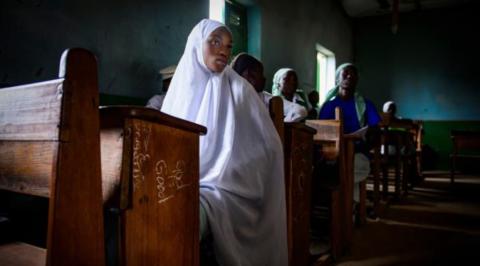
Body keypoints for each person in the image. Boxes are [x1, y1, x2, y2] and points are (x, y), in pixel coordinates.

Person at [161, 19, 288, 266]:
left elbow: (269, 147)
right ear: (197, 44)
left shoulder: (239, 89)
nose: (223, 50)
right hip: (184, 177)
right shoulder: (181, 86)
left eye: (228, 46)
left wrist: (225, 173)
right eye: (215, 42)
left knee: (180, 218)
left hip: (227, 184)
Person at [318, 63, 381, 204]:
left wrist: (368, 135)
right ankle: (350, 205)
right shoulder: (329, 106)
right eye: (345, 73)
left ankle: (346, 205)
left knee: (355, 167)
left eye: (353, 74)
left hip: (358, 151)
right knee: (330, 168)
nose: (349, 76)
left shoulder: (365, 104)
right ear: (337, 79)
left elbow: (375, 128)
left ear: (357, 80)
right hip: (333, 152)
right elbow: (321, 132)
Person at [230, 53, 307, 122]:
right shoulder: (229, 97)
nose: (264, 78)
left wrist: (280, 126)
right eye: (260, 73)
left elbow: (300, 110)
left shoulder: (264, 97)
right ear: (249, 75)